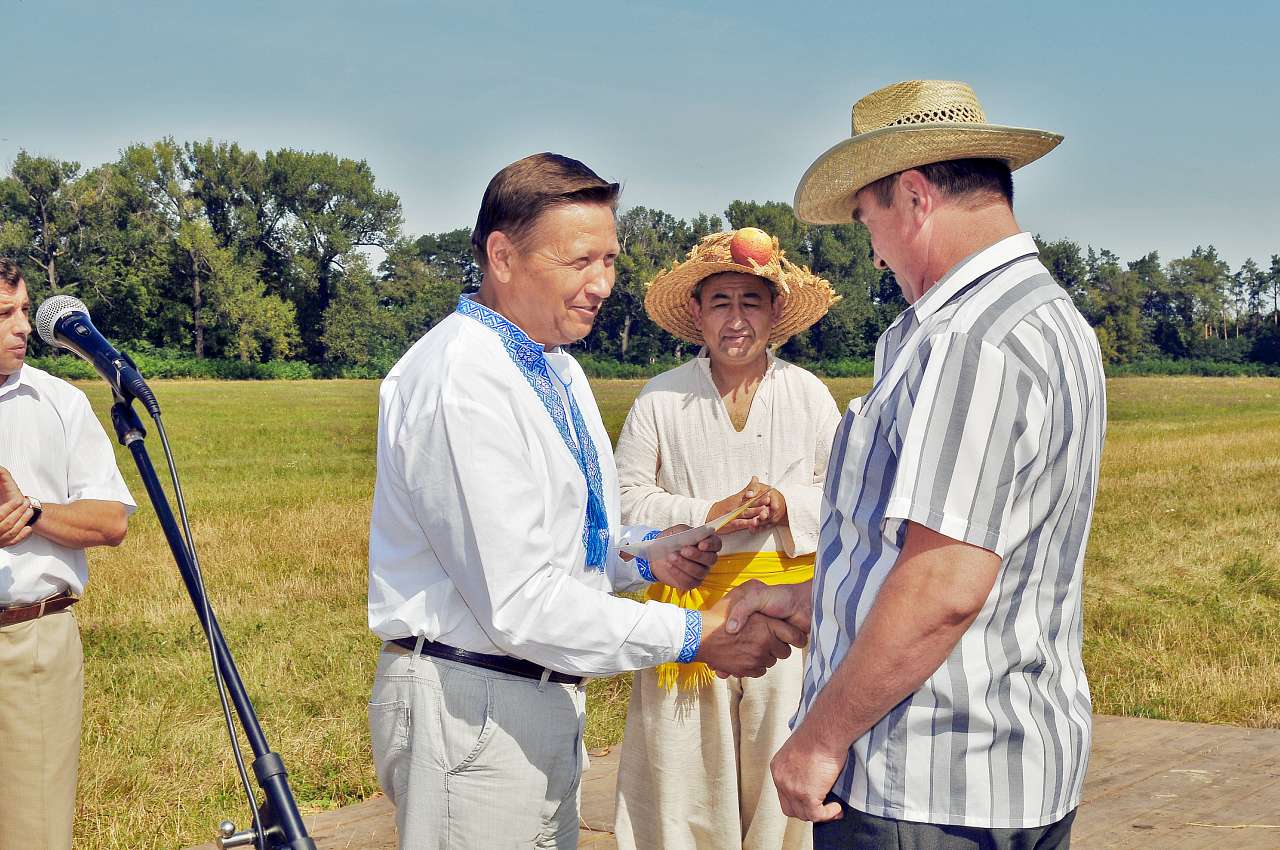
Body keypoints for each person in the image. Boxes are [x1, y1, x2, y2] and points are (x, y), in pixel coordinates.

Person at [366, 153, 805, 850]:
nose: (602, 284)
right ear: (502, 256)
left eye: (610, 259)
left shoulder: (554, 367)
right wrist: (698, 635)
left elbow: (569, 538)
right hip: (473, 702)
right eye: (579, 262)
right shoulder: (462, 383)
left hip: (536, 696)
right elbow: (522, 601)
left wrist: (647, 556)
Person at [726, 80, 1106, 848]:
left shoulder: (967, 341)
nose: (871, 249)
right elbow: (975, 548)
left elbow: (944, 586)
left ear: (914, 196)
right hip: (1010, 770)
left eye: (868, 219)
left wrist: (821, 737)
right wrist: (819, 600)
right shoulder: (1052, 320)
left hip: (926, 781)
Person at [611, 228, 840, 850]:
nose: (736, 319)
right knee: (683, 777)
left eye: (751, 302)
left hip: (789, 615)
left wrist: (785, 503)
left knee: (781, 782)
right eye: (720, 302)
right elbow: (624, 501)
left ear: (773, 313)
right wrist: (706, 511)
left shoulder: (809, 394)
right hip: (690, 610)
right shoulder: (661, 397)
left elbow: (847, 497)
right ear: (696, 313)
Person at [0, 259, 135, 850]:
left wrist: (32, 516)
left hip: (28, 646)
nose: (22, 327)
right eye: (4, 314)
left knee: (33, 833)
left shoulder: (60, 402)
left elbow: (111, 520)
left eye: (24, 310)